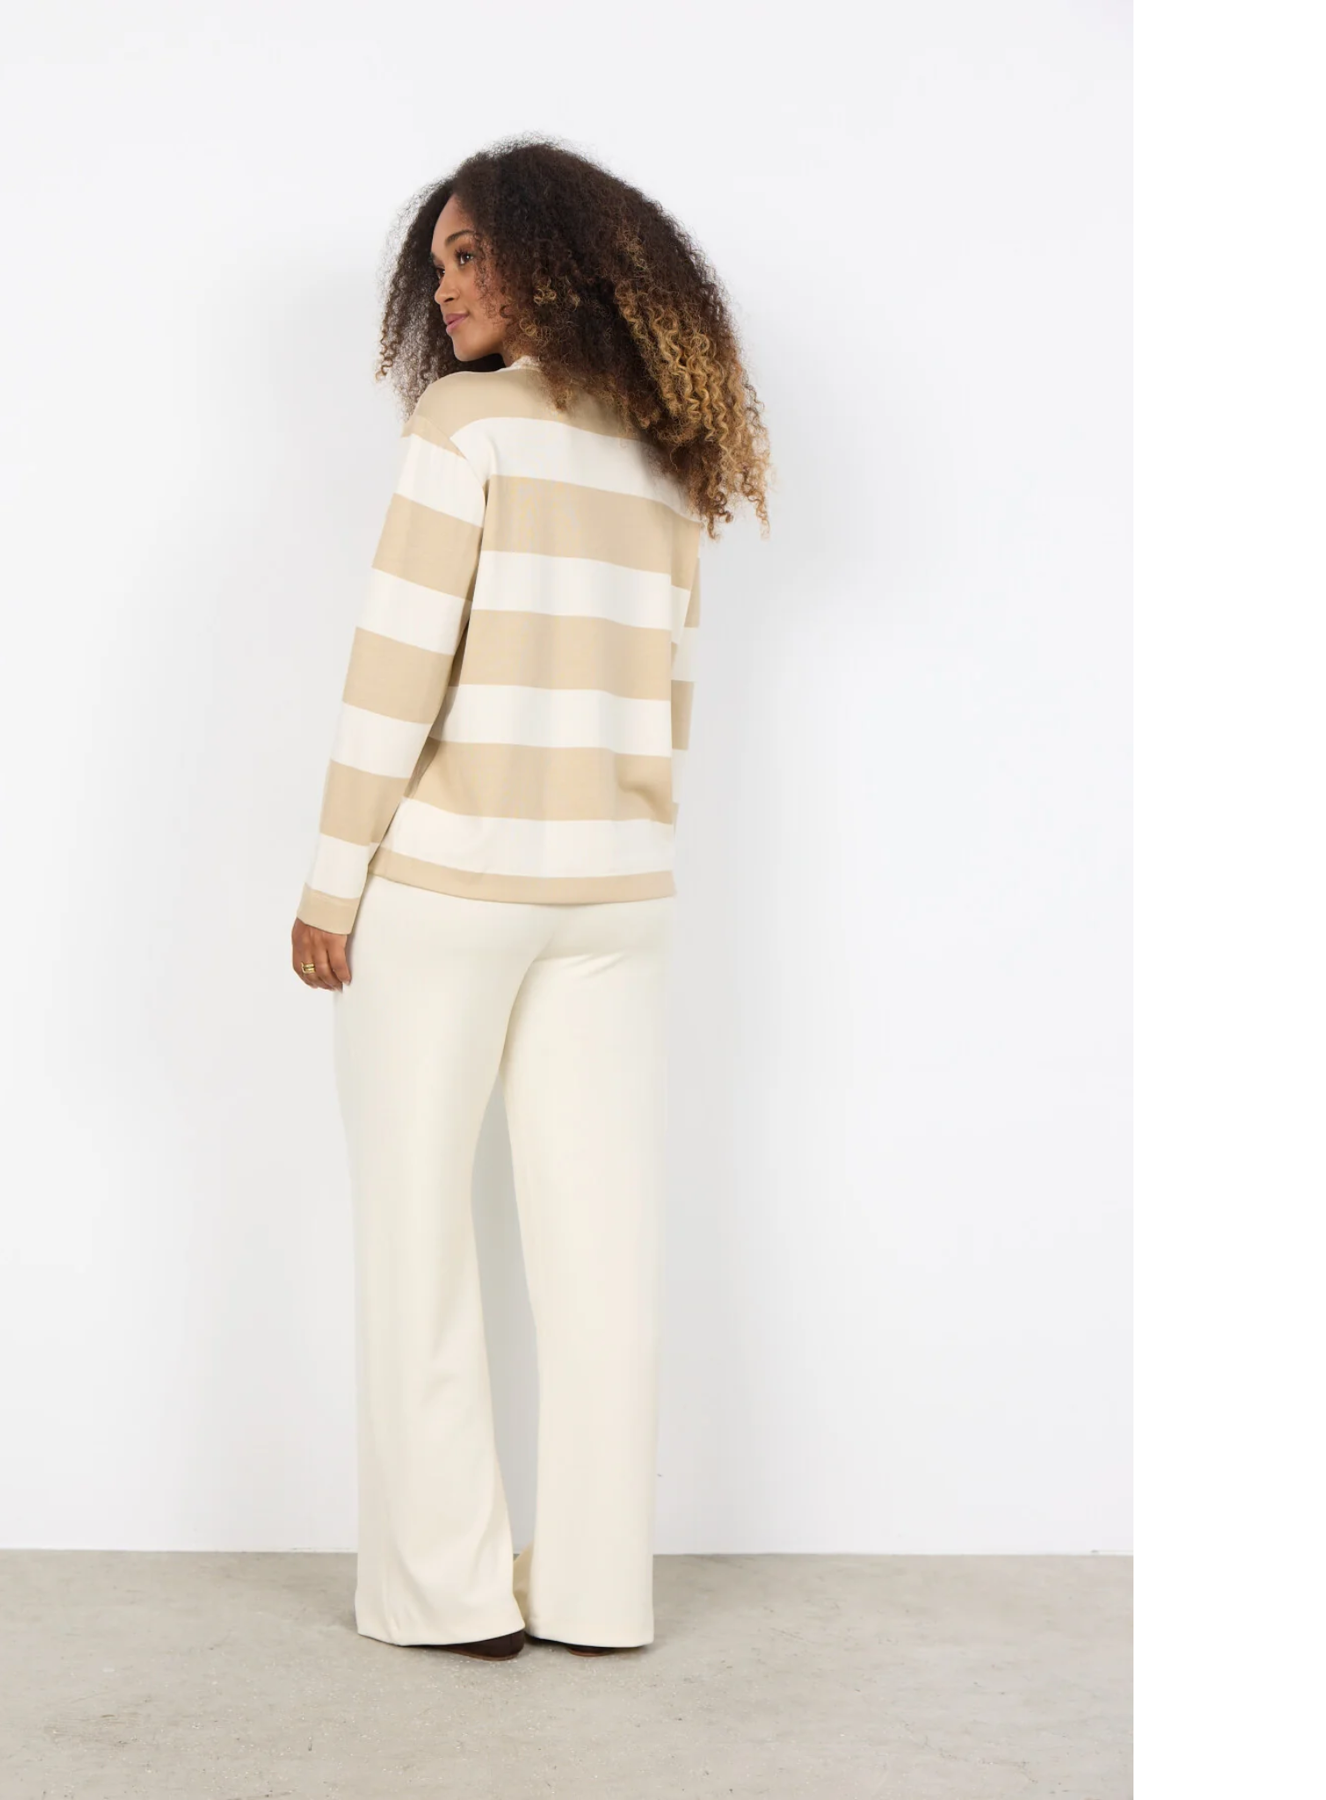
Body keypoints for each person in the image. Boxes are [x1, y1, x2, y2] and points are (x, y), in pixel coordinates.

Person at [289, 137, 769, 1661]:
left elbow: (395, 668)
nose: (446, 286)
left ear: (552, 257)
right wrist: (625, 844)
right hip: (618, 897)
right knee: (603, 1250)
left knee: (416, 1236)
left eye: (470, 253)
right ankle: (598, 1594)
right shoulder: (668, 450)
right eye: (436, 262)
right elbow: (668, 699)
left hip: (453, 889)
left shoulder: (463, 426)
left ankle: (444, 1595)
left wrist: (332, 880)